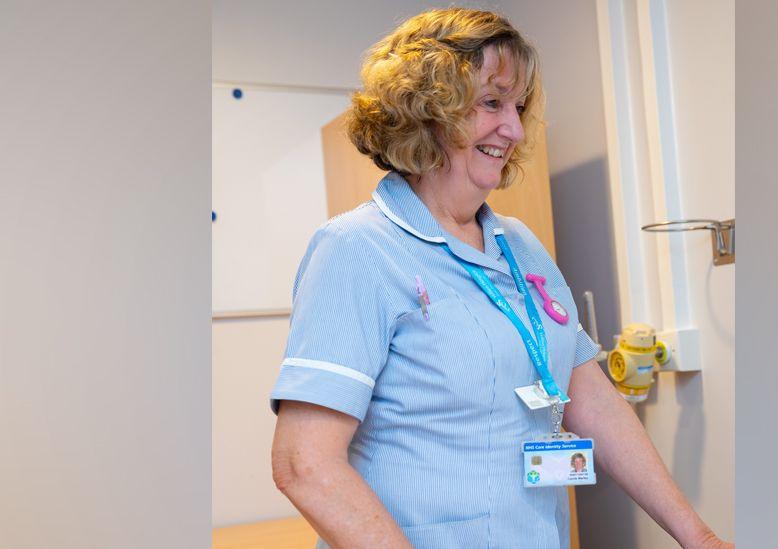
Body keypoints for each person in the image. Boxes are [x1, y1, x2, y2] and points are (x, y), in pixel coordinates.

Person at [270, 8, 732, 549]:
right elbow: (303, 464)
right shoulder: (358, 249)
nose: (513, 128)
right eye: (491, 102)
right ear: (428, 111)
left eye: (518, 106)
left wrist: (698, 536)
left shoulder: (520, 245)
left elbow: (591, 396)